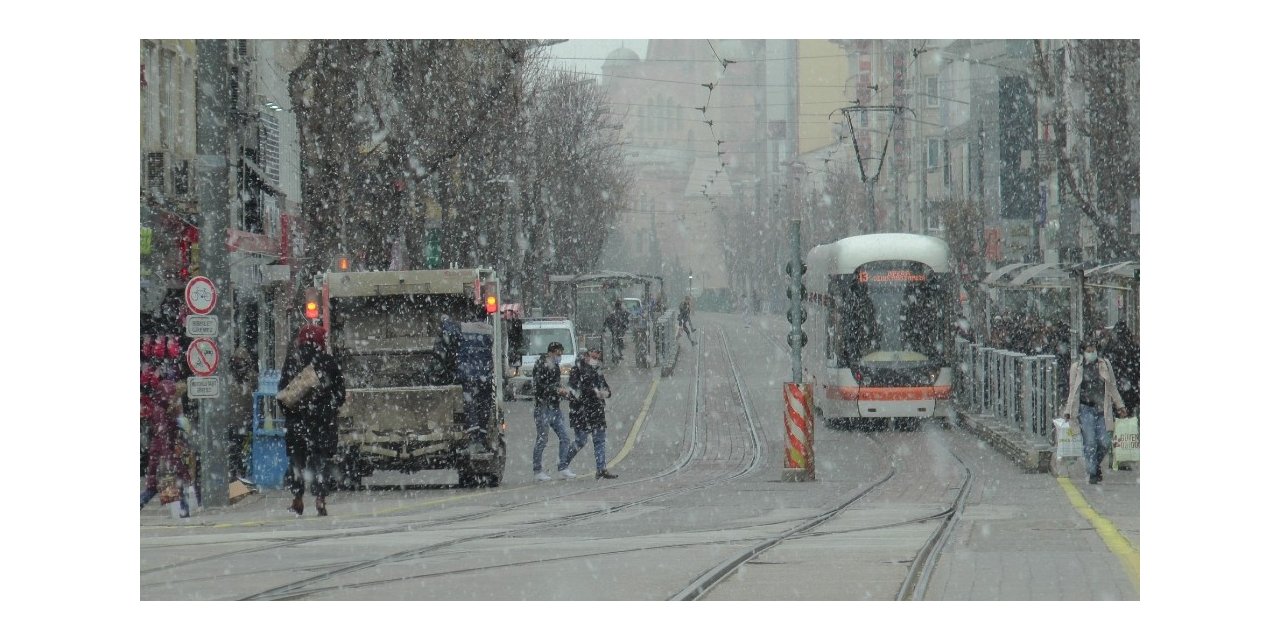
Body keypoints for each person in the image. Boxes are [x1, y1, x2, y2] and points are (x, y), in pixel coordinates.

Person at [278, 324, 346, 516]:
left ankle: (297, 499)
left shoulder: (293, 360)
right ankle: (320, 499)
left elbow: (282, 393)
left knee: (297, 463)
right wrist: (327, 408)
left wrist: (293, 413)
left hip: (297, 424)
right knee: (320, 462)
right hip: (322, 424)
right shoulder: (328, 362)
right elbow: (340, 394)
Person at [1061, 339, 1128, 484]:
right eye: (1088, 351)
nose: (1091, 353)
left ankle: (1095, 465)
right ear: (1083, 352)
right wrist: (1068, 410)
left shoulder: (1105, 365)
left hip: (1102, 409)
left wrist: (1120, 405)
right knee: (1090, 441)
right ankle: (1092, 473)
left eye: (1093, 350)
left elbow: (1112, 387)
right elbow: (1073, 390)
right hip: (1085, 409)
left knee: (1105, 441)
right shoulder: (1076, 368)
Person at [140, 378, 194, 516]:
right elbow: (164, 439)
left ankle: (185, 512)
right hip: (163, 456)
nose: (174, 399)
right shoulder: (161, 412)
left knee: (156, 487)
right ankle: (184, 511)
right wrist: (174, 462)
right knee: (156, 488)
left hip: (161, 455)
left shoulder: (162, 409)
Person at [564, 347, 618, 479]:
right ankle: (563, 463)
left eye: (597, 356)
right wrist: (591, 392)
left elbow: (606, 387)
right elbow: (573, 391)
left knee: (599, 439)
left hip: (596, 410)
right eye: (593, 356)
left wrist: (605, 393)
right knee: (581, 440)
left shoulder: (597, 370)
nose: (595, 358)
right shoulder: (577, 370)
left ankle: (601, 468)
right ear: (586, 356)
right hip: (581, 411)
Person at [531, 342, 574, 481]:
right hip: (543, 407)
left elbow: (555, 383)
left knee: (565, 437)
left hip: (554, 407)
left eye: (560, 354)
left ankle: (563, 467)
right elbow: (539, 386)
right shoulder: (541, 364)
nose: (559, 357)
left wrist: (563, 391)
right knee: (542, 439)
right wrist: (555, 390)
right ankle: (537, 470)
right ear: (551, 352)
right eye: (558, 354)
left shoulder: (555, 366)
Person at [226, 347, 257, 481]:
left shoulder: (252, 377)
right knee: (234, 450)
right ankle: (235, 474)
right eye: (236, 360)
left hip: (246, 420)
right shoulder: (229, 377)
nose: (238, 363)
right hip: (232, 421)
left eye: (241, 360)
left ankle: (242, 474)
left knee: (243, 451)